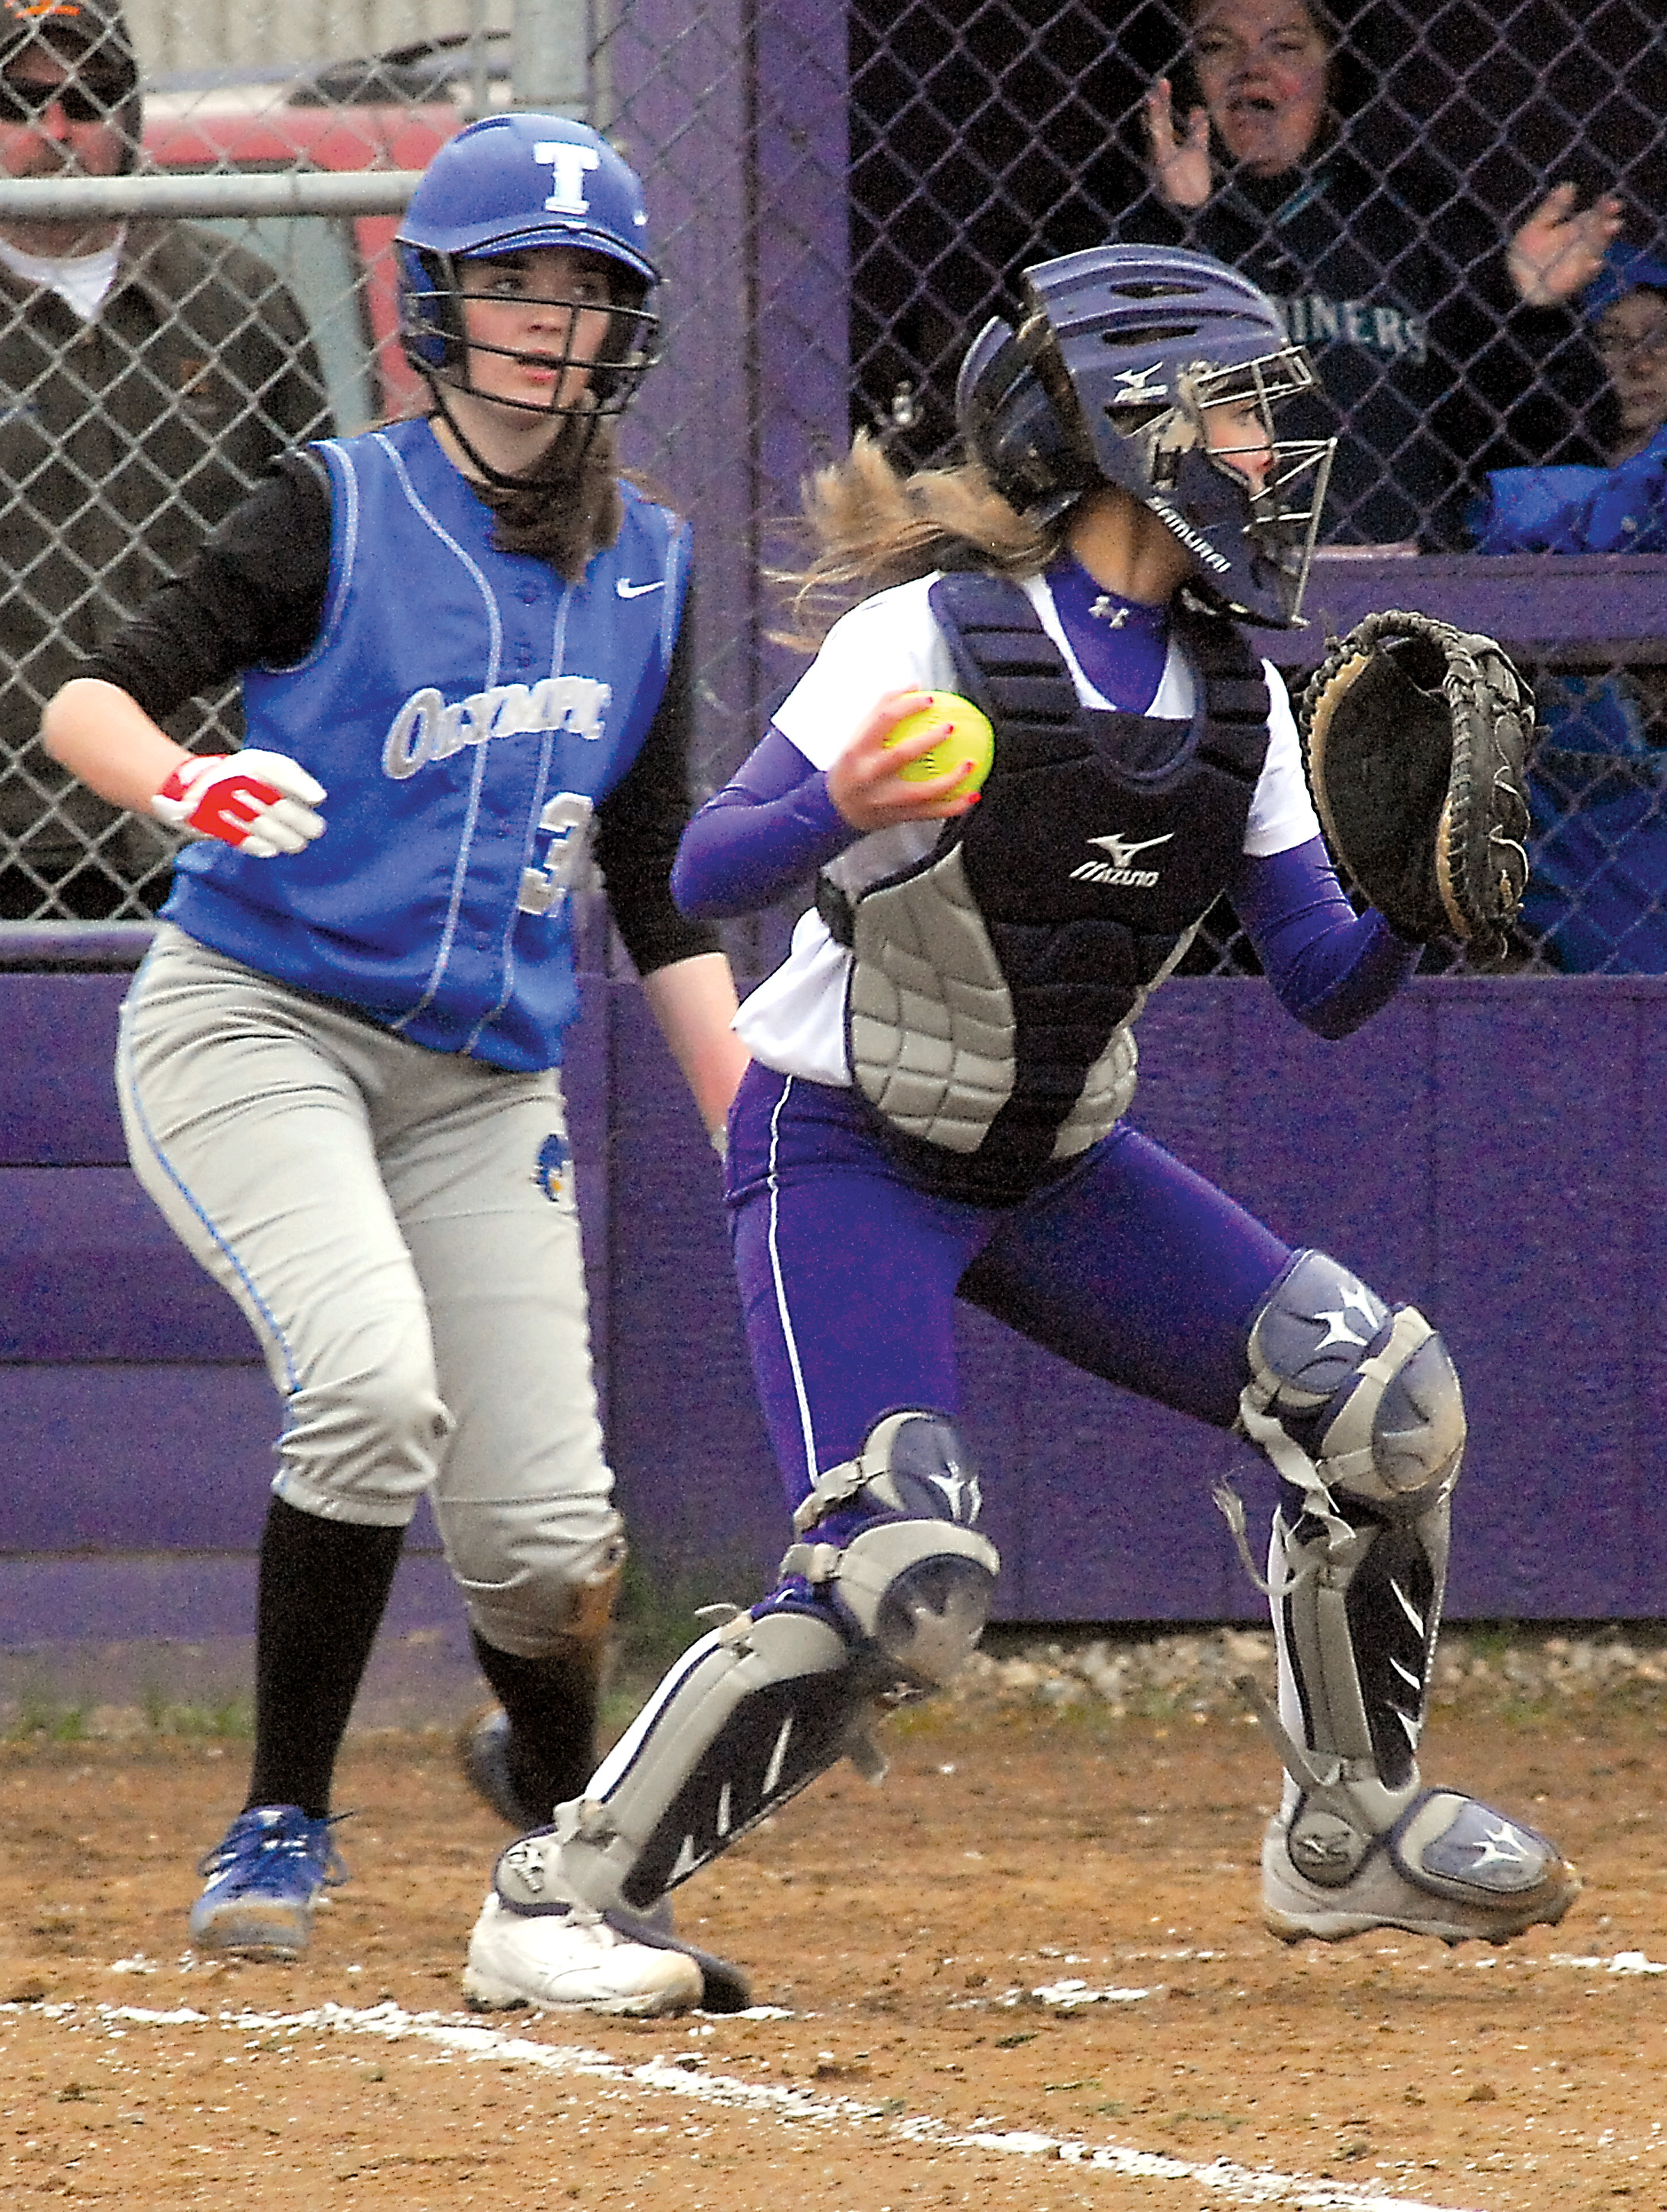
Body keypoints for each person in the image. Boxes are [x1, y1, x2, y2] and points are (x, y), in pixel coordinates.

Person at [454, 242, 1579, 2019]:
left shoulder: (1232, 695)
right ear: (1124, 432)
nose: (1268, 456)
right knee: (897, 1568)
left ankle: (1343, 1828)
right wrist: (840, 796)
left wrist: (1428, 900)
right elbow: (697, 870)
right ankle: (558, 1891)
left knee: (1382, 1407)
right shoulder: (928, 636)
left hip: (1055, 1158)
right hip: (841, 1141)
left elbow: (1317, 980)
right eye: (1233, 415)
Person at [39, 111, 750, 1960]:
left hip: (476, 1081)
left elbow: (659, 876)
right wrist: (190, 786)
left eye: (582, 289)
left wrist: (755, 1130)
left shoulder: (647, 566)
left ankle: (560, 1818)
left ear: (625, 327)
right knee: (367, 1384)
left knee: (545, 1536)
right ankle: (278, 1813)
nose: (545, 319)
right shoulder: (334, 503)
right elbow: (88, 698)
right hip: (252, 1020)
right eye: (510, 278)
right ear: (435, 302)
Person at [0, 0, 332, 920]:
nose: (57, 131)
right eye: (19, 102)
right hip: (12, 832)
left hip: (212, 818)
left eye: (90, 97)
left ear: (132, 112)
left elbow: (326, 561)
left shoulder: (239, 306)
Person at [1134, 0, 1622, 547]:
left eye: (1287, 46)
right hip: (1198, 575)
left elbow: (1559, 439)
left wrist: (1524, 309)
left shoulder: (1415, 219)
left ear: (1333, 71)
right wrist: (1183, 225)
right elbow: (1111, 409)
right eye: (1217, 46)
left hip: (1390, 583)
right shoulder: (1128, 218)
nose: (1251, 68)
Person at [1471, 244, 1667, 970]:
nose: (1638, 362)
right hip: (1579, 804)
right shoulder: (1522, 487)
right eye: (1614, 341)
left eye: (1659, 339)